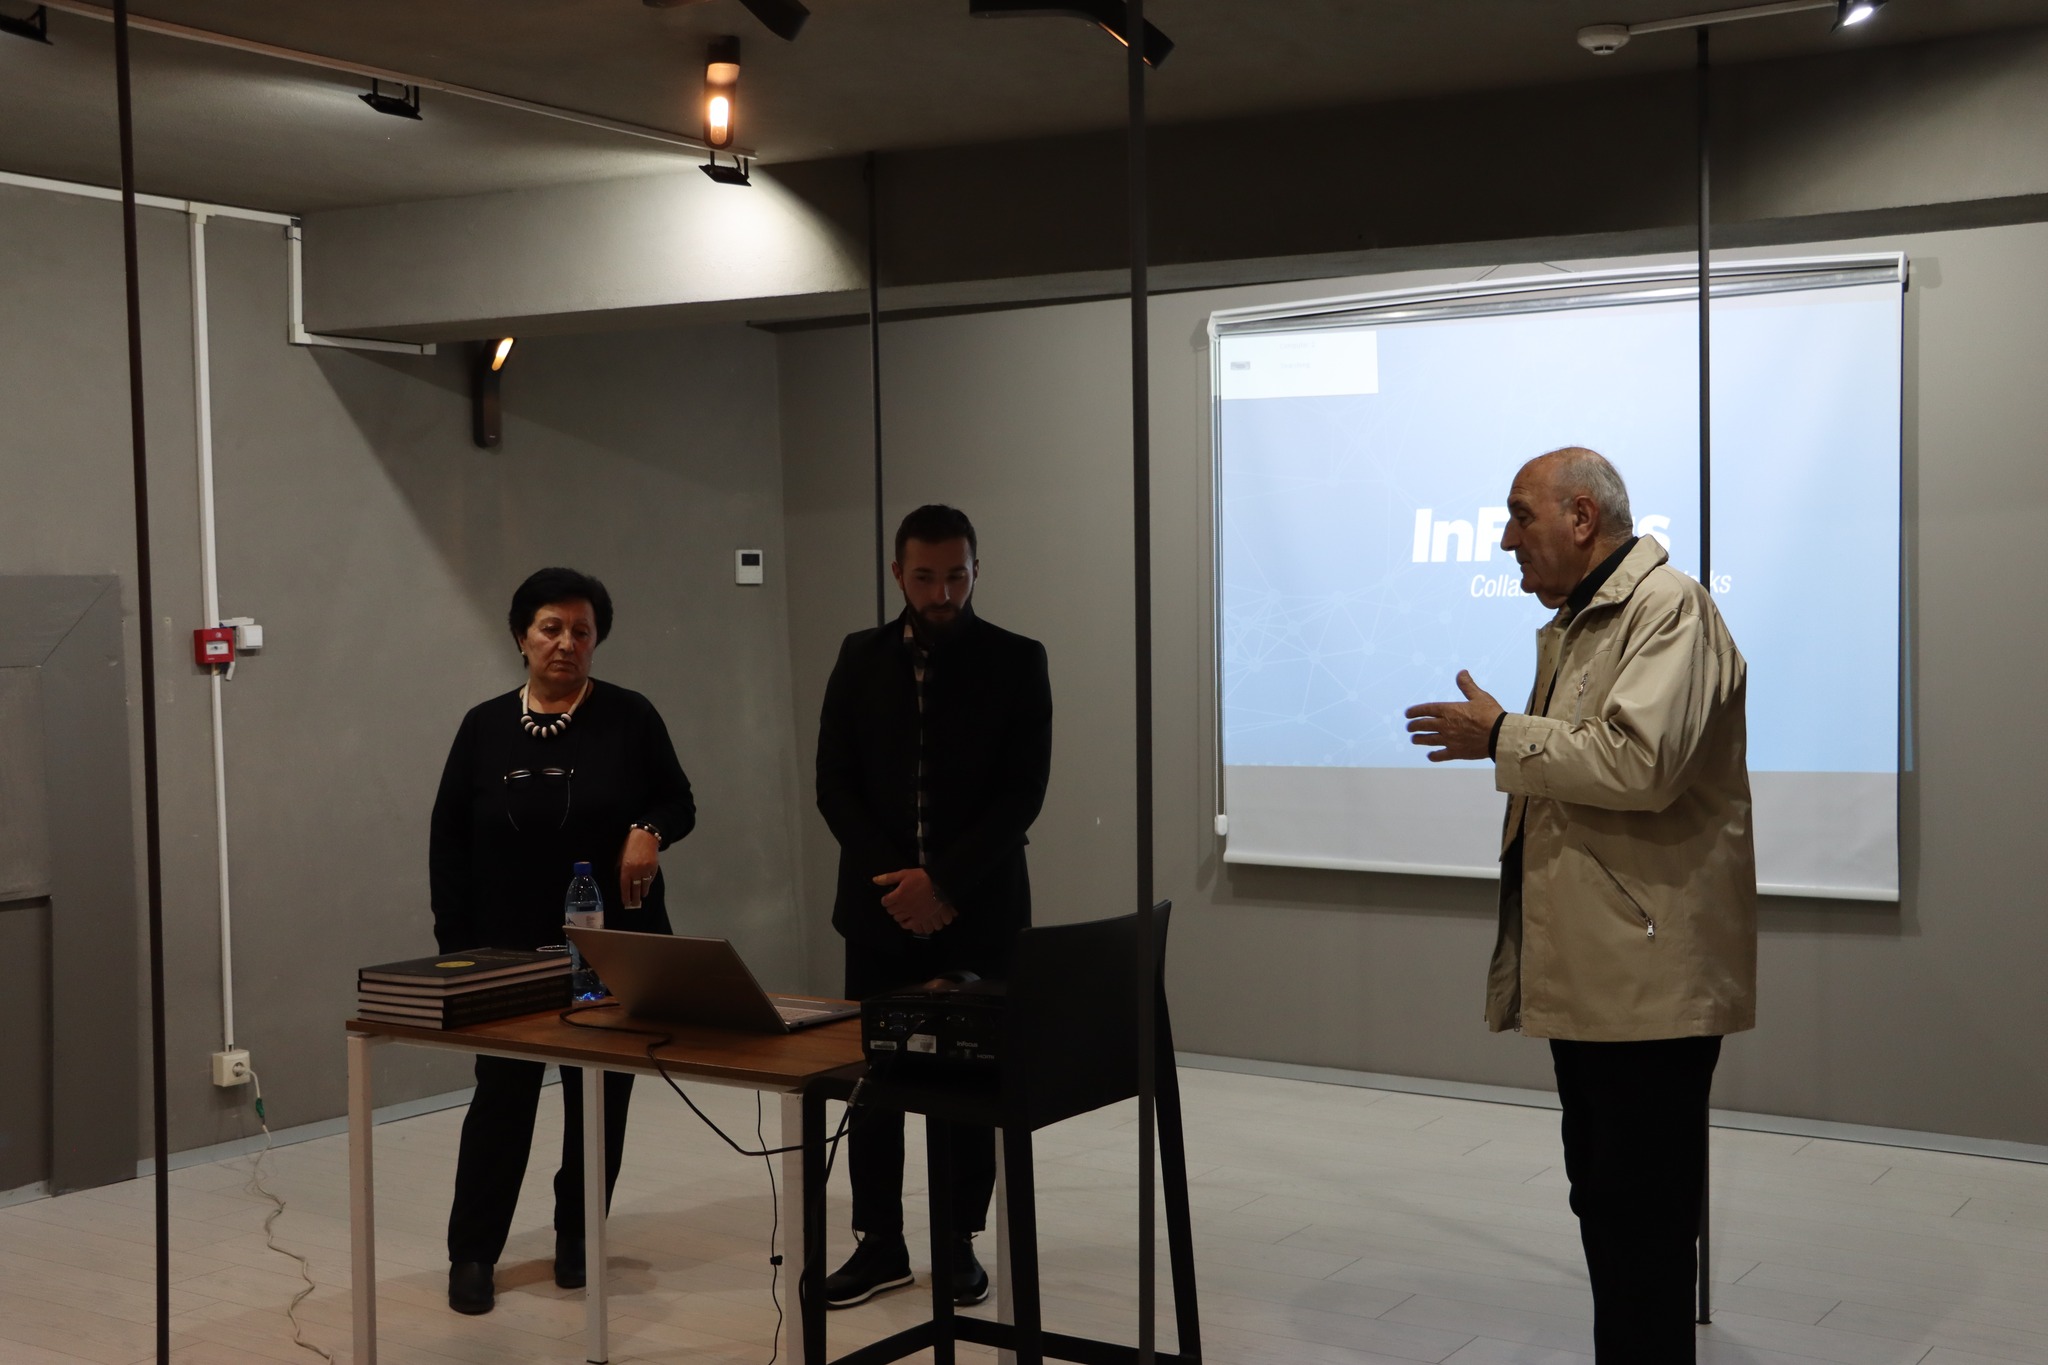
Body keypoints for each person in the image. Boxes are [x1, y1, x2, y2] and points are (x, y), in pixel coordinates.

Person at [1403, 448, 1756, 1364]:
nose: (1505, 539)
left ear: (1583, 518)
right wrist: (1506, 738)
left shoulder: (1668, 608)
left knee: (1641, 1221)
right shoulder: (1582, 623)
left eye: (1520, 515)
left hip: (1648, 981)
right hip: (1603, 976)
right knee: (1607, 1204)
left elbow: (1640, 764)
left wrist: (1501, 734)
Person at [428, 566, 696, 1315]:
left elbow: (678, 799)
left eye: (582, 630)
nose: (566, 643)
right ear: (522, 636)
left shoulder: (630, 716)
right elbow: (448, 841)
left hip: (613, 945)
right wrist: (459, 951)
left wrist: (648, 829)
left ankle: (579, 1234)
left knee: (600, 1097)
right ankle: (473, 1252)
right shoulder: (484, 726)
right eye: (551, 628)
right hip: (507, 952)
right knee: (502, 1097)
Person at [814, 504, 1053, 1309]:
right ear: (898, 574)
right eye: (925, 576)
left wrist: (942, 883)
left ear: (976, 569)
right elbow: (834, 782)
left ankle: (957, 1241)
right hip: (879, 910)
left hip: (978, 910)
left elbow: (1022, 793)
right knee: (877, 1078)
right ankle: (879, 1241)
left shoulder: (1017, 659)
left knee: (967, 1078)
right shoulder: (858, 656)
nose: (942, 591)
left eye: (956, 574)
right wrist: (900, 884)